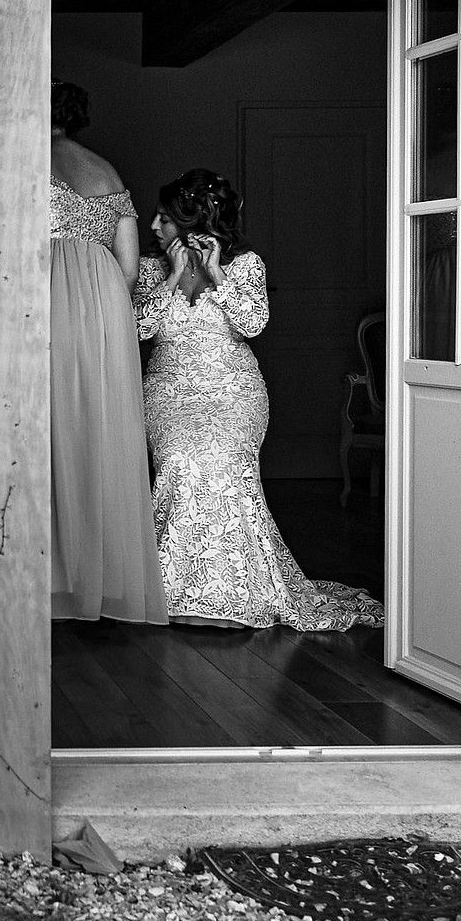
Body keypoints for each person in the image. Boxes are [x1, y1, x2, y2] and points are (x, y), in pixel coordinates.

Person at [137, 169, 383, 631]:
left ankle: (238, 590)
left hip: (235, 391)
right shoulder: (151, 270)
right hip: (170, 391)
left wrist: (215, 276)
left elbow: (251, 325)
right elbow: (137, 329)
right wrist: (172, 279)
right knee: (180, 460)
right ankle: (170, 590)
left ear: (193, 223)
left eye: (164, 218)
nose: (152, 226)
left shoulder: (246, 264)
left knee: (226, 461)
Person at [49, 82, 166, 624]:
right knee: (95, 429)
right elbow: (128, 268)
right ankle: (99, 577)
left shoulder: (20, 163)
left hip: (42, 298)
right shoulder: (107, 173)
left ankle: (47, 570)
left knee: (47, 426)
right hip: (100, 308)